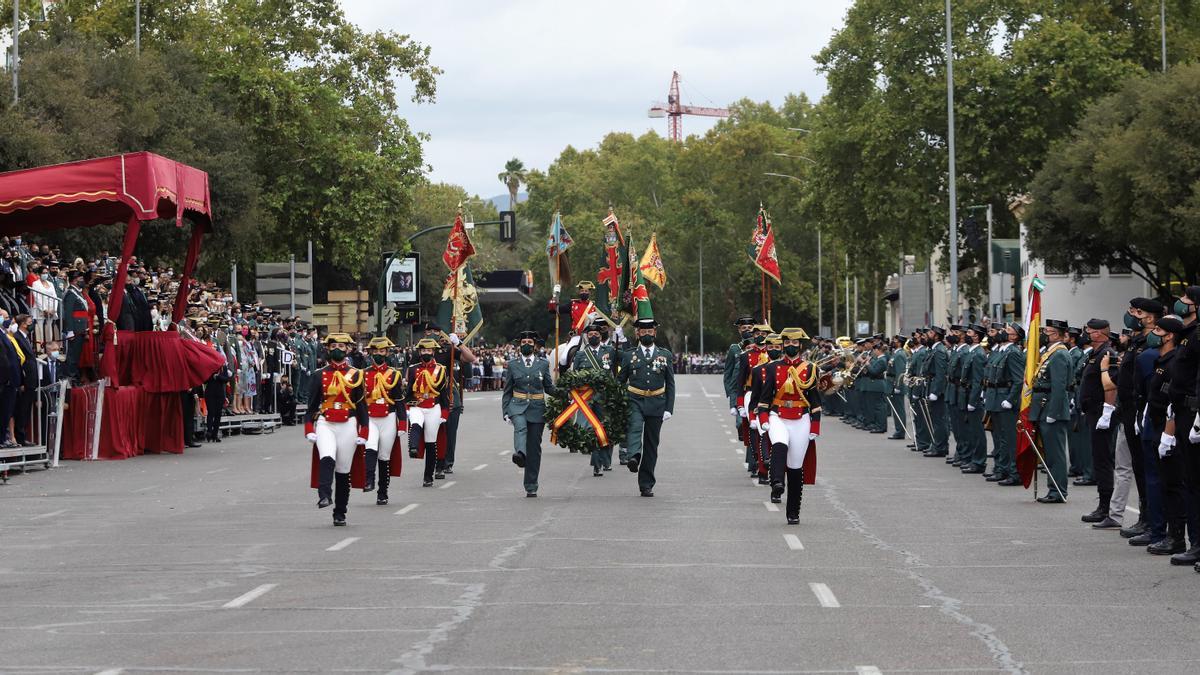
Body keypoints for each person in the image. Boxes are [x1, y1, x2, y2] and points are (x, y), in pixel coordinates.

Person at [754, 327, 821, 524]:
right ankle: (776, 482)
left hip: (801, 418)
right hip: (778, 415)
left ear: (800, 345)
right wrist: (764, 419)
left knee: (795, 466)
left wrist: (815, 427)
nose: (790, 346)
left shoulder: (810, 368)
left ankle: (793, 511)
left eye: (794, 343)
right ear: (783, 344)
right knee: (779, 443)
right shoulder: (773, 367)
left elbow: (815, 401)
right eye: (787, 343)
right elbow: (765, 399)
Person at [304, 333, 368, 526]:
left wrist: (364, 431)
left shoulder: (356, 374)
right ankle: (324, 495)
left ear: (348, 349)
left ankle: (340, 512)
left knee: (343, 470)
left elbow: (361, 406)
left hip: (348, 422)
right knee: (327, 456)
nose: (337, 349)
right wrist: (309, 429)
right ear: (328, 349)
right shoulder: (318, 375)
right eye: (334, 346)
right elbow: (311, 407)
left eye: (341, 346)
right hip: (326, 422)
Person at [618, 317, 675, 497]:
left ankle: (646, 483)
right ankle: (633, 456)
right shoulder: (629, 355)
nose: (647, 334)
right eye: (644, 331)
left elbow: (670, 383)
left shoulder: (664, 355)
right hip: (634, 399)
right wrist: (616, 399)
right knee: (634, 427)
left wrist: (669, 408)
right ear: (637, 333)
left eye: (651, 331)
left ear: (655, 333)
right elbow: (620, 380)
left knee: (652, 444)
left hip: (657, 403)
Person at [503, 331, 556, 497]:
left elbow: (548, 387)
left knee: (534, 448)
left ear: (535, 345)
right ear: (519, 345)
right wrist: (505, 411)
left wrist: (566, 393)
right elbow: (507, 390)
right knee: (520, 428)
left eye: (530, 342)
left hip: (537, 408)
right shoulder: (512, 364)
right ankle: (520, 454)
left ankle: (531, 484)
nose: (527, 344)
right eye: (523, 341)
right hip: (517, 406)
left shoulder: (542, 364)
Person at [1079, 318, 1118, 524]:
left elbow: (1111, 386)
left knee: (1103, 460)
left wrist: (1107, 412)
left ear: (1099, 333)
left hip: (1102, 413)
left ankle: (1106, 507)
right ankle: (1103, 505)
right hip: (1093, 412)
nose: (1085, 333)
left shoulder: (1107, 353)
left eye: (1089, 330)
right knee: (1098, 458)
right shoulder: (1095, 353)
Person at [1029, 320, 1072, 504]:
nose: (1044, 334)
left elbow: (1059, 386)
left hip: (1051, 408)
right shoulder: (1050, 353)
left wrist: (1053, 412)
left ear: (1056, 334)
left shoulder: (1059, 354)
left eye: (1047, 331)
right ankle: (1053, 488)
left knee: (1056, 453)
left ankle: (1058, 491)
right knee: (1049, 452)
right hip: (1043, 407)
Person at [572, 321, 619, 476]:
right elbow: (574, 376)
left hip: (604, 397)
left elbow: (621, 361)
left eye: (596, 334)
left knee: (605, 429)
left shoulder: (610, 351)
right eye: (590, 335)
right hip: (587, 397)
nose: (593, 336)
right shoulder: (580, 355)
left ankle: (606, 459)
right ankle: (597, 463)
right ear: (587, 337)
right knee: (593, 429)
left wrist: (621, 338)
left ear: (601, 336)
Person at [363, 336, 405, 506]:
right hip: (370, 416)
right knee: (370, 446)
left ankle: (383, 492)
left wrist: (402, 422)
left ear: (387, 353)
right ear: (371, 353)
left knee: (384, 456)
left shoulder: (394, 374)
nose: (379, 354)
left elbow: (400, 399)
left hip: (388, 416)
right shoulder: (363, 374)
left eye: (382, 351)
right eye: (375, 351)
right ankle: (369, 479)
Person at [405, 337, 451, 488]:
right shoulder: (412, 369)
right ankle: (413, 447)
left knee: (431, 442)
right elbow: (408, 390)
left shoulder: (441, 369)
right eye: (423, 350)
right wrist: (407, 406)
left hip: (434, 405)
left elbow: (443, 394)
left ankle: (428, 476)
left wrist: (444, 413)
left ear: (433, 352)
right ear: (419, 352)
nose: (426, 353)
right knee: (416, 424)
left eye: (429, 350)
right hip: (417, 404)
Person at [959, 324, 988, 474]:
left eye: (969, 332)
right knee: (971, 430)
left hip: (973, 397)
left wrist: (973, 401)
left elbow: (978, 380)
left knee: (977, 431)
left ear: (976, 336)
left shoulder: (978, 354)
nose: (966, 334)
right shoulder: (972, 352)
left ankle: (979, 462)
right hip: (967, 394)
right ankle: (973, 459)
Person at [724, 316, 756, 439]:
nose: (747, 330)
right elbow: (728, 372)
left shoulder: (759, 347)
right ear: (739, 330)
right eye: (744, 328)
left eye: (750, 328)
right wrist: (730, 392)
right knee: (740, 423)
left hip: (754, 388)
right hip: (738, 389)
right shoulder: (734, 349)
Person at [922, 326, 950, 458]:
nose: (927, 335)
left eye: (930, 333)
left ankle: (941, 447)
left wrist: (936, 391)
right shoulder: (934, 349)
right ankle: (936, 444)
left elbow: (940, 373)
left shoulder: (939, 351)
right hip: (931, 385)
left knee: (939, 419)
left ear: (937, 336)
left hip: (937, 388)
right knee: (935, 418)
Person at [60, 270, 89, 382]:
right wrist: (70, 330)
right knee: (72, 355)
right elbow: (68, 313)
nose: (82, 280)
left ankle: (74, 376)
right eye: (80, 278)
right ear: (74, 280)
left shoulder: (78, 292)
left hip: (80, 328)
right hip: (75, 329)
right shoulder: (70, 293)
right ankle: (71, 377)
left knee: (77, 355)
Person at [886, 335, 908, 441]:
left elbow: (900, 372)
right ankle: (898, 430)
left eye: (895, 340)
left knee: (899, 409)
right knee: (896, 409)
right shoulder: (896, 353)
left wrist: (898, 386)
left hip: (896, 384)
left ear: (899, 343)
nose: (892, 342)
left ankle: (900, 431)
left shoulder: (899, 355)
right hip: (892, 383)